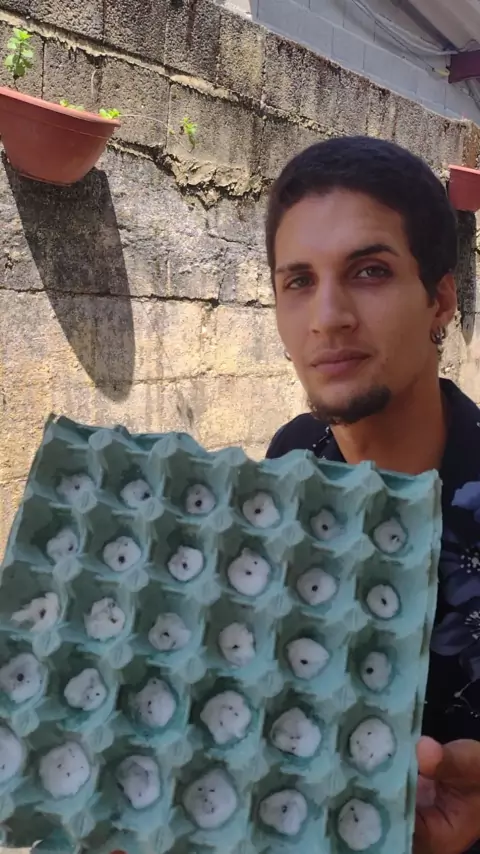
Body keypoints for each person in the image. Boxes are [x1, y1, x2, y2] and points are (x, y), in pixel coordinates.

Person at [265, 136, 480, 854]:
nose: (327, 316)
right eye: (298, 281)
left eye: (370, 271)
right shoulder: (293, 456)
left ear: (440, 300)